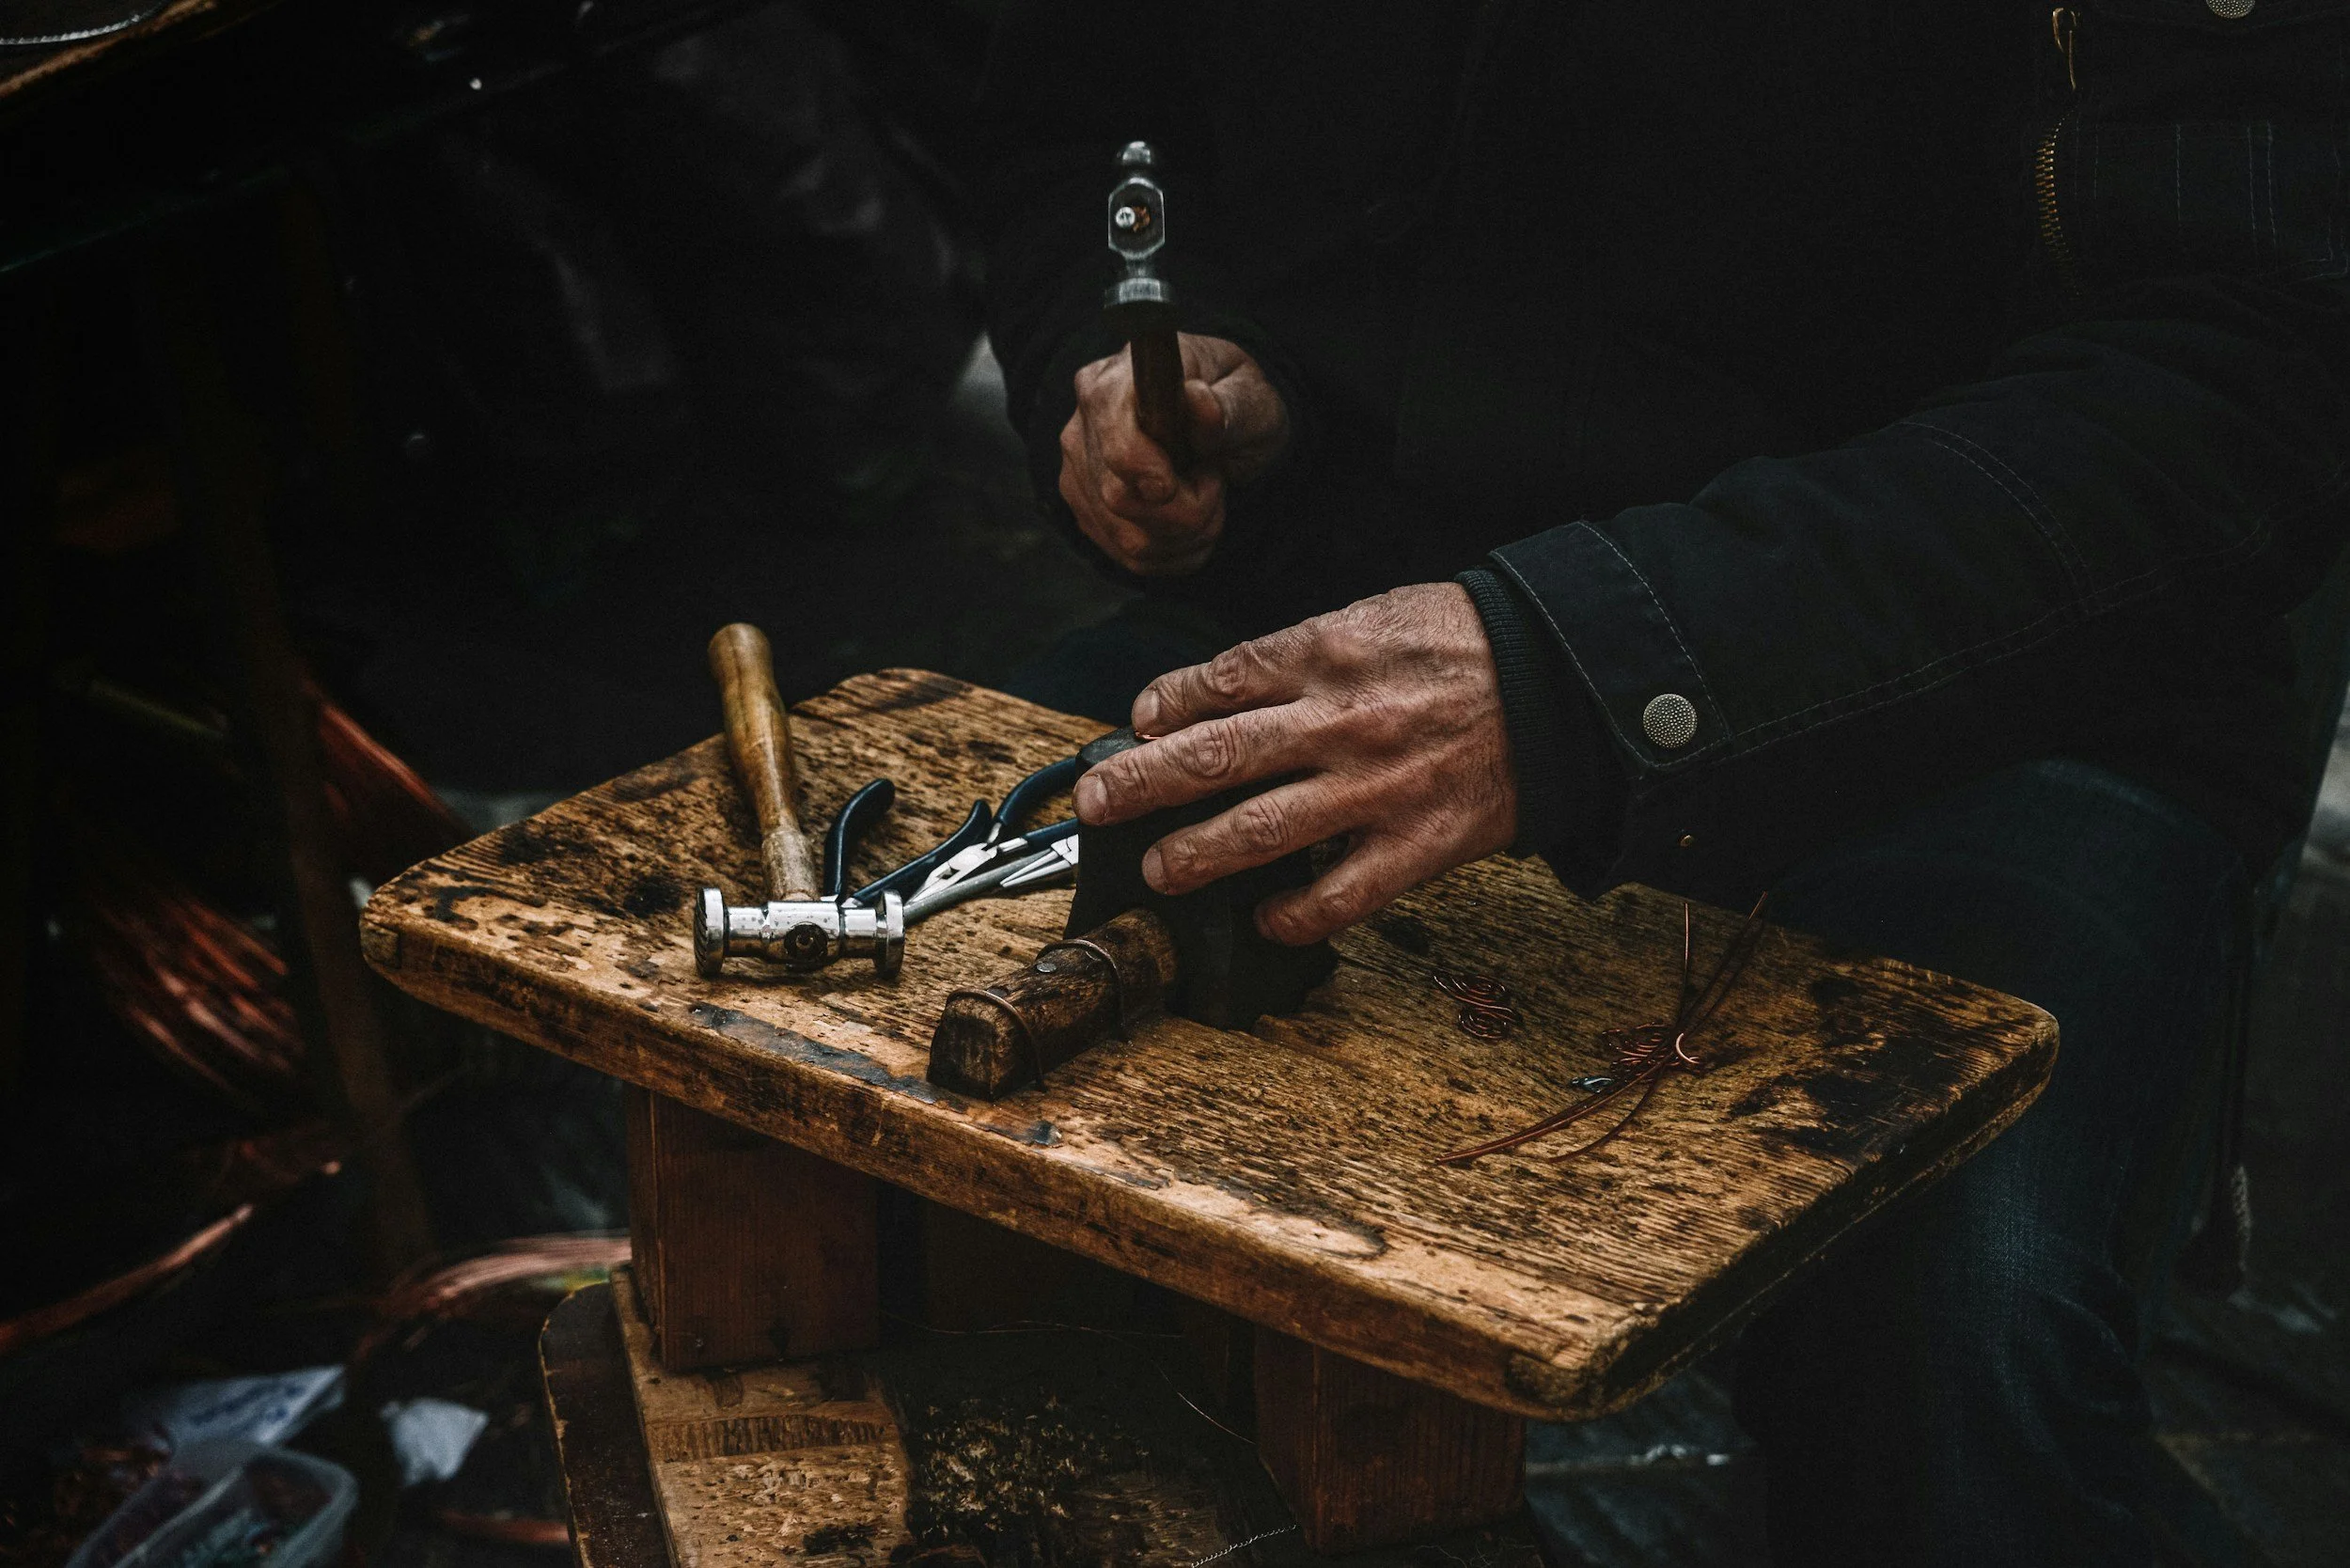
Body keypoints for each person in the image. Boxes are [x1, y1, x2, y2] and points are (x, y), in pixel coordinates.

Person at [979, 3, 2350, 1562]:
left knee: (1953, 1345)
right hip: (1362, 598)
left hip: (1994, 693)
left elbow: (2237, 381)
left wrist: (1585, 667)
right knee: (917, 1102)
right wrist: (1147, 328)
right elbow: (1082, 121)